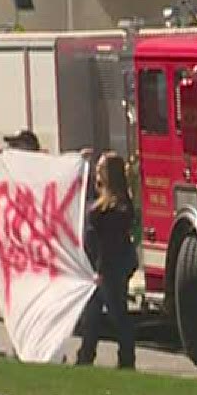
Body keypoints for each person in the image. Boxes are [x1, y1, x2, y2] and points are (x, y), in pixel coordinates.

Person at [75, 151, 138, 370]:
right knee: (91, 315)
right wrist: (82, 163)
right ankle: (86, 356)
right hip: (99, 267)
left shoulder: (115, 208)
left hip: (109, 268)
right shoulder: (105, 201)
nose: (96, 171)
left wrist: (101, 270)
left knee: (116, 313)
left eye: (100, 168)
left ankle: (126, 357)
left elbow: (108, 244)